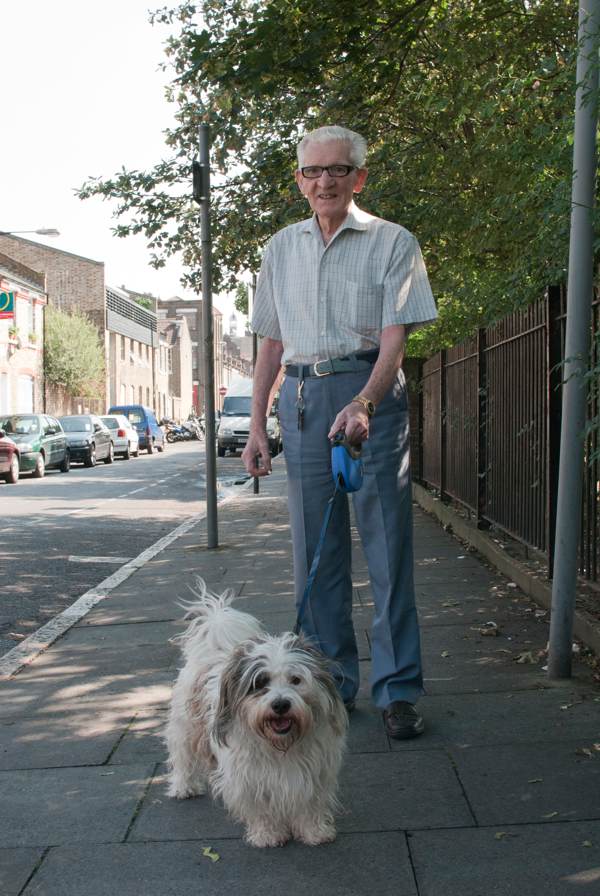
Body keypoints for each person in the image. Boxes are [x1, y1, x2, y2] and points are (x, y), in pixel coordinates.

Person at [242, 125, 437, 739]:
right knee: (316, 559)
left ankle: (397, 690)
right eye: (313, 171)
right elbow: (270, 345)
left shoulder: (392, 242)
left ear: (360, 176)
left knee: (388, 554)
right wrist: (255, 427)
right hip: (300, 403)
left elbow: (394, 338)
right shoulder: (278, 249)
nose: (324, 180)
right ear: (299, 181)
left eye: (337, 169)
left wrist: (365, 401)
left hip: (366, 400)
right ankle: (330, 686)